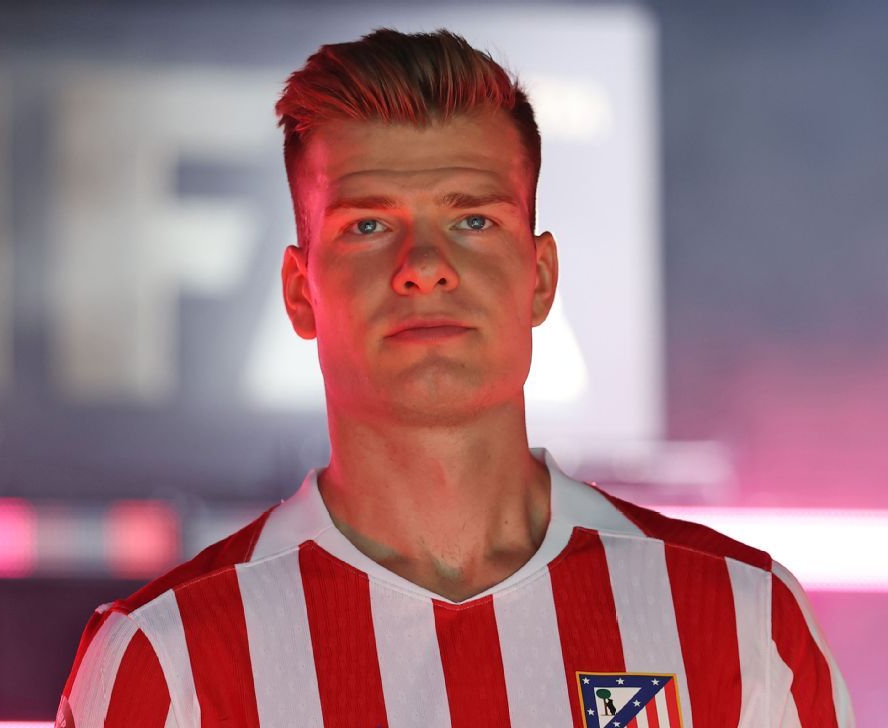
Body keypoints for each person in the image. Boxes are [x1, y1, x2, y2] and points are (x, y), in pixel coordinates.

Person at [57, 28, 852, 727]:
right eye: (370, 224)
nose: (426, 265)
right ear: (301, 293)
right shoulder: (167, 656)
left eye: (473, 219)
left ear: (540, 277)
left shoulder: (743, 621)